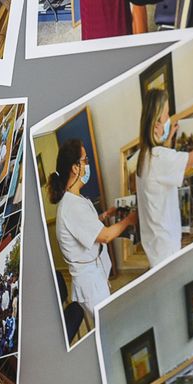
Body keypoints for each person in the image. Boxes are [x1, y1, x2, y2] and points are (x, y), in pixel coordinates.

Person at [50, 140, 136, 335]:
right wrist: (130, 220)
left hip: (94, 273)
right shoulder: (71, 206)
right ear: (75, 168)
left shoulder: (76, 200)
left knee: (109, 321)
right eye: (85, 160)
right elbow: (105, 236)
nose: (88, 164)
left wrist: (106, 215)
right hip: (89, 281)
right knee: (110, 329)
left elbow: (86, 228)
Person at [135, 89, 193, 266]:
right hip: (166, 247)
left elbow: (162, 168)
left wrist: (167, 139)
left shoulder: (144, 156)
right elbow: (189, 161)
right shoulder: (158, 157)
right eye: (167, 114)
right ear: (156, 123)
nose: (169, 118)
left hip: (155, 245)